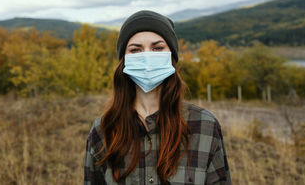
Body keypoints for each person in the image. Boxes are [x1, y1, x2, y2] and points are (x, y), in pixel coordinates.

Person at [84, 10, 231, 185]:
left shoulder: (205, 126)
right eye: (135, 50)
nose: (147, 56)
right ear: (124, 60)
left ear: (171, 57)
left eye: (158, 48)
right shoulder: (103, 131)